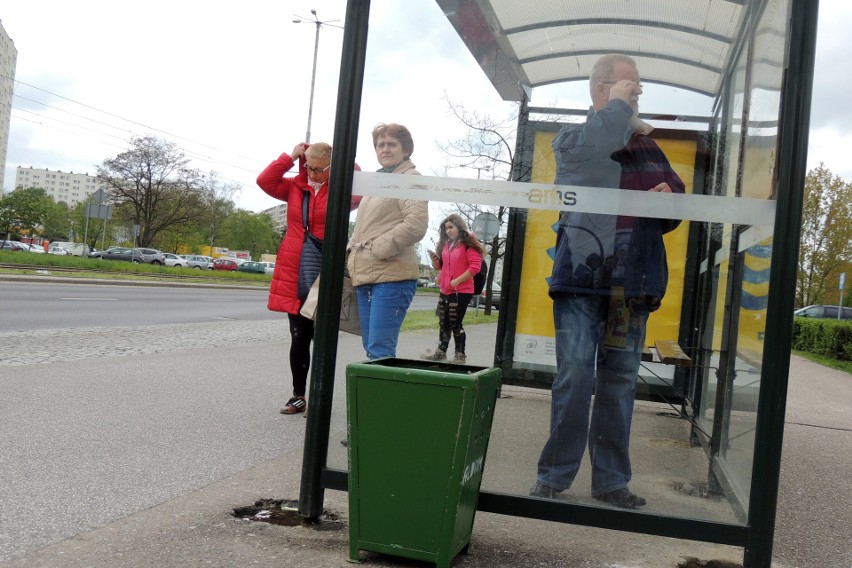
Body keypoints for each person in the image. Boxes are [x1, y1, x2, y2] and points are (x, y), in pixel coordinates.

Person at [530, 54, 685, 509]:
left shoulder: (647, 148)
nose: (637, 92)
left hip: (631, 282)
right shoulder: (574, 136)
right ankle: (554, 477)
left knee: (618, 382)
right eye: (629, 85)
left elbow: (674, 198)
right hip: (582, 278)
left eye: (638, 87)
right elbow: (591, 159)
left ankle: (611, 481)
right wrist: (617, 111)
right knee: (575, 377)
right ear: (601, 89)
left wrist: (670, 194)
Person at [256, 142, 360, 415]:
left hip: (324, 270)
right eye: (308, 167)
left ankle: (321, 394)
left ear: (332, 168)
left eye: (318, 169)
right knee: (299, 336)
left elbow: (361, 188)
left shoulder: (341, 191)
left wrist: (342, 160)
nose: (311, 173)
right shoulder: (293, 187)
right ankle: (298, 395)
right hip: (293, 269)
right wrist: (289, 157)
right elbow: (264, 181)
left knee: (323, 337)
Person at [347, 123, 429, 359]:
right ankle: (376, 395)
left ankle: (380, 396)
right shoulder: (378, 181)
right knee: (371, 346)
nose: (385, 149)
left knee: (379, 349)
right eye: (380, 144)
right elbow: (367, 227)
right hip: (368, 274)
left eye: (392, 144)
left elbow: (416, 224)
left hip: (393, 276)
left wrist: (379, 248)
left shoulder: (409, 178)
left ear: (405, 150)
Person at [422, 214, 484, 364]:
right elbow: (442, 268)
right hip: (445, 289)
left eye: (451, 227)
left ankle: (460, 355)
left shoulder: (468, 243)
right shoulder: (446, 244)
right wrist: (436, 261)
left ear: (459, 226)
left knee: (455, 323)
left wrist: (457, 281)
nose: (448, 231)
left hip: (461, 291)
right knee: (443, 322)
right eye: (446, 228)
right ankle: (441, 352)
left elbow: (475, 267)